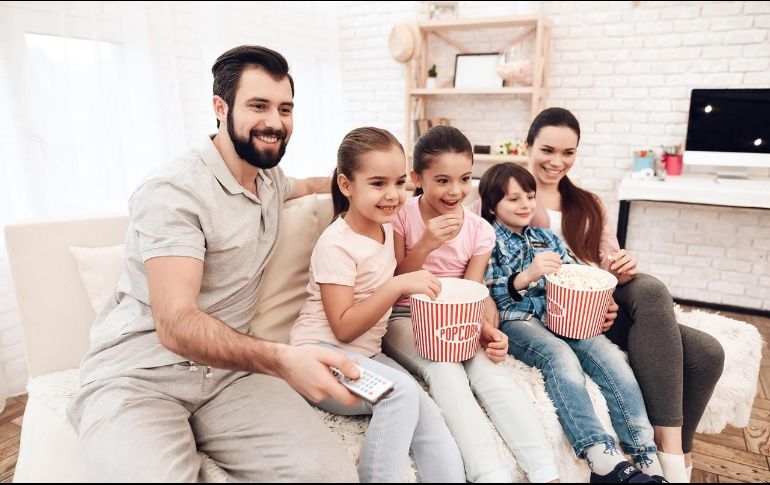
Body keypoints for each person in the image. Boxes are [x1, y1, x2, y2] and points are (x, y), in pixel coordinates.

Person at [66, 45, 362, 482]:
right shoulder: (173, 192)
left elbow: (302, 184)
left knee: (331, 476)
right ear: (220, 108)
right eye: (258, 106)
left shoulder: (267, 178)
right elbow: (177, 323)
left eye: (285, 108)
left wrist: (368, 186)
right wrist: (281, 359)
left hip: (232, 375)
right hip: (139, 376)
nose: (276, 122)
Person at [525, 107, 725, 483]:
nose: (557, 162)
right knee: (661, 303)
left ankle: (677, 449)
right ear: (528, 146)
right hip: (555, 313)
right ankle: (673, 465)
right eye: (548, 150)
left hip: (601, 306)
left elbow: (607, 261)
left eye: (568, 153)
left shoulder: (588, 204)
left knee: (707, 351)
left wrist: (623, 265)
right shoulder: (507, 199)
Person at [382, 126, 560, 483]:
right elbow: (395, 279)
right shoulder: (402, 215)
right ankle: (490, 474)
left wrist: (486, 330)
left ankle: (546, 472)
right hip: (405, 314)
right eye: (442, 180)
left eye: (464, 179)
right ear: (417, 178)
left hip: (458, 315)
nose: (456, 191)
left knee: (490, 372)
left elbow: (472, 289)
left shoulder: (480, 230)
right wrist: (426, 243)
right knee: (446, 370)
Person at [289, 127, 465, 483]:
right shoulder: (336, 245)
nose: (392, 195)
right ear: (346, 185)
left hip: (364, 356)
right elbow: (342, 326)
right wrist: (396, 285)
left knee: (425, 408)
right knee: (399, 393)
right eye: (378, 183)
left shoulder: (386, 227)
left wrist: (425, 246)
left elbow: (395, 275)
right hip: (321, 357)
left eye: (400, 183)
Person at [480, 162, 666, 484]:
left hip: (561, 313)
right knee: (560, 356)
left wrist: (607, 280)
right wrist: (527, 275)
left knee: (610, 357)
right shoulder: (486, 238)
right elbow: (487, 292)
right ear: (492, 205)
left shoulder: (545, 236)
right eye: (513, 199)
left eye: (529, 196)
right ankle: (601, 458)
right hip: (517, 318)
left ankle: (645, 454)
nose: (525, 205)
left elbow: (579, 270)